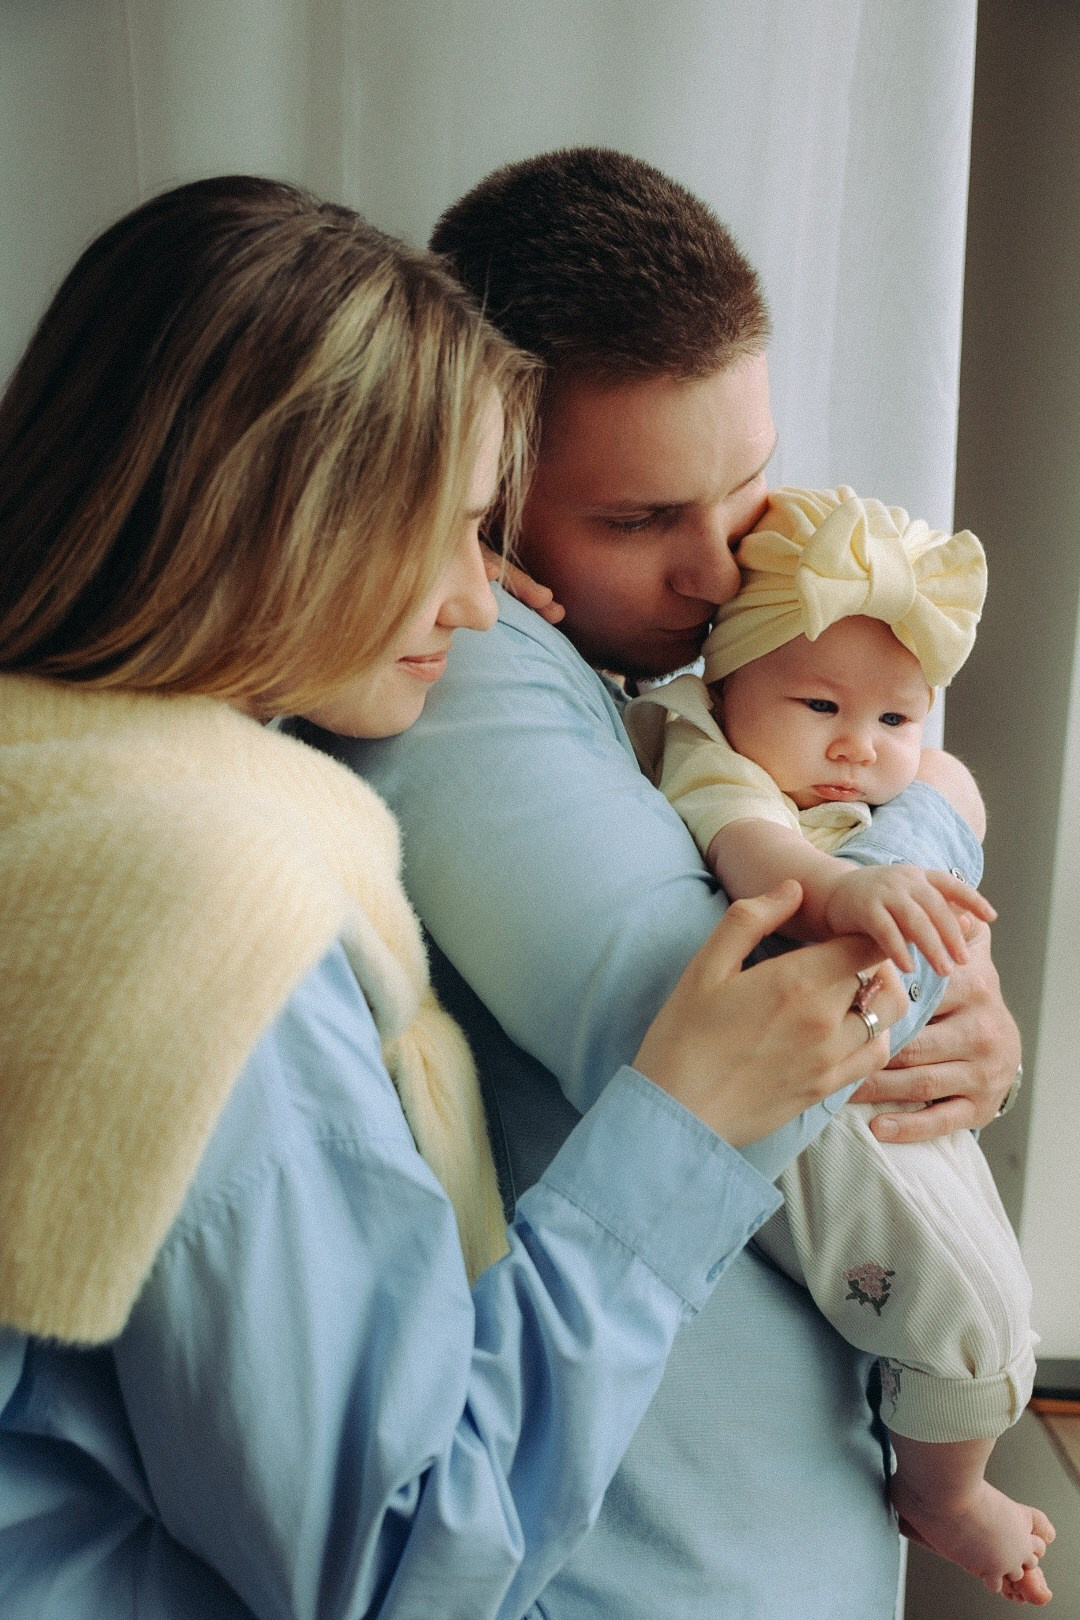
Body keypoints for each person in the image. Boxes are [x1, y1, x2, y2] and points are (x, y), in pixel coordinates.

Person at [0, 176, 912, 1620]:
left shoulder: (56, 814)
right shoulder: (198, 914)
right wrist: (681, 1126)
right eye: (439, 530)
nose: (486, 604)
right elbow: (402, 1560)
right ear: (276, 514)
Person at [322, 149, 1026, 1619]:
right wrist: (943, 816)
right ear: (484, 492)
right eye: (637, 523)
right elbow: (762, 1030)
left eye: (747, 487)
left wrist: (967, 996)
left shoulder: (653, 693)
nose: (718, 574)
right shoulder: (472, 673)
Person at [627, 482, 1052, 1603]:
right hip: (807, 1077)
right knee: (977, 1314)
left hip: (889, 1074)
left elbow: (945, 897)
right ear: (728, 681)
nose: (860, 750)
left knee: (985, 1286)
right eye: (817, 704)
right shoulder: (704, 744)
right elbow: (754, 852)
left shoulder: (872, 789)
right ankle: (946, 1494)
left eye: (897, 721)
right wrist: (843, 889)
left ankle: (941, 1474)